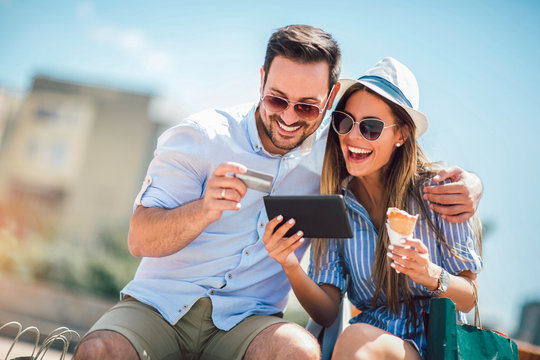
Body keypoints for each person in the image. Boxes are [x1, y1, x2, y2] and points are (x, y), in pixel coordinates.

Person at [74, 26, 482, 360]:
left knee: (300, 351)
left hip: (248, 322)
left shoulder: (337, 151)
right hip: (161, 306)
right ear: (261, 80)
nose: (288, 116)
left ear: (326, 102)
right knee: (100, 351)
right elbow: (138, 238)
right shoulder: (202, 137)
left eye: (306, 106)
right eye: (276, 99)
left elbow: (398, 162)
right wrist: (204, 209)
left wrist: (472, 186)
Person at [263, 57, 483, 359]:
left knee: (356, 340)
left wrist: (430, 274)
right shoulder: (336, 205)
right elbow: (327, 312)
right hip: (361, 344)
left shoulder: (440, 192)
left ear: (402, 134)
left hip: (432, 348)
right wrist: (289, 263)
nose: (353, 136)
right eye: (344, 121)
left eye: (371, 128)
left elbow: (469, 298)